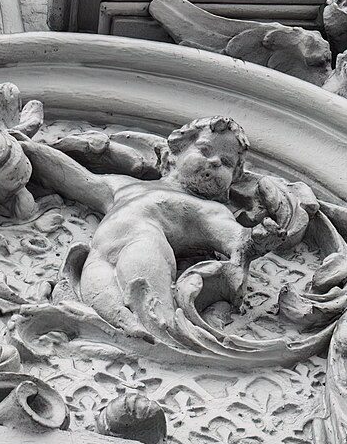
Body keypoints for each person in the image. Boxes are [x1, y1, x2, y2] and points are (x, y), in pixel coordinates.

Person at [26, 116, 281, 341]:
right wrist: (27, 148)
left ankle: (166, 343)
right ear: (173, 155)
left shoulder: (208, 209)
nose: (215, 162)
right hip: (98, 259)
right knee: (106, 321)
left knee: (153, 321)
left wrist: (255, 241)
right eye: (204, 150)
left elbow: (233, 238)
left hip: (145, 248)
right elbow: (75, 178)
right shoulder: (124, 186)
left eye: (226, 162)